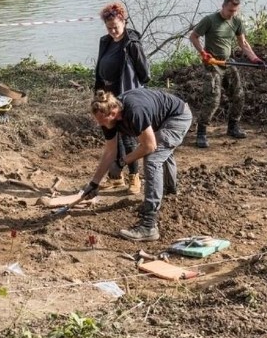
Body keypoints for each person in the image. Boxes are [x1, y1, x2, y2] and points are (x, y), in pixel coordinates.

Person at [81, 88, 192, 241]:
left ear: (113, 114)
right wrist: (94, 183)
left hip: (177, 116)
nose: (101, 125)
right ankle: (170, 192)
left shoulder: (134, 111)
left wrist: (121, 163)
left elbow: (149, 146)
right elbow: (109, 151)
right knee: (162, 149)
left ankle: (149, 226)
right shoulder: (107, 116)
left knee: (153, 158)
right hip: (161, 119)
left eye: (102, 121)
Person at [189, 0, 264, 148]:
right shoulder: (210, 20)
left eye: (235, 11)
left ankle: (233, 127)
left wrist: (255, 59)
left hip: (228, 63)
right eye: (230, 10)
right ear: (223, 6)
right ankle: (201, 133)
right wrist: (203, 53)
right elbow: (194, 37)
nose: (232, 14)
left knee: (239, 95)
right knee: (213, 99)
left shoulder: (236, 21)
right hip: (213, 64)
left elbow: (243, 43)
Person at [94, 2, 150, 195]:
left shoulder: (132, 44)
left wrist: (134, 93)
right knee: (112, 137)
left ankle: (135, 177)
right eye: (109, 28)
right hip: (107, 96)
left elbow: (145, 73)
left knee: (128, 138)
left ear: (123, 22)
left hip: (126, 95)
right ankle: (116, 178)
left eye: (116, 27)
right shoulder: (106, 41)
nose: (113, 31)